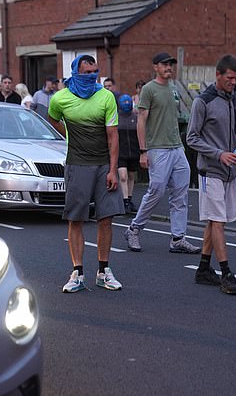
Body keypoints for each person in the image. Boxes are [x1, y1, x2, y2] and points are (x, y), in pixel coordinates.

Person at [48, 55, 124, 293]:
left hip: (103, 165)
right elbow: (53, 119)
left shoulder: (106, 96)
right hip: (77, 164)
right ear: (75, 73)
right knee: (76, 218)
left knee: (106, 218)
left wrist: (113, 170)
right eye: (87, 72)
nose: (92, 76)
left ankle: (103, 271)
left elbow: (113, 135)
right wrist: (71, 135)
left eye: (95, 71)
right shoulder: (60, 98)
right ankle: (77, 273)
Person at [186, 54, 236, 295]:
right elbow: (192, 138)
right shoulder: (203, 102)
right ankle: (227, 273)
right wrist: (219, 154)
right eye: (229, 78)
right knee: (218, 222)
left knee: (216, 220)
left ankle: (203, 269)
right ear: (218, 75)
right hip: (210, 170)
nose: (234, 82)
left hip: (230, 171)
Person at [123, 52, 200, 254]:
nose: (169, 67)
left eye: (170, 64)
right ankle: (134, 229)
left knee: (180, 194)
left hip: (177, 147)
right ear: (155, 66)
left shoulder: (173, 89)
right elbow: (141, 120)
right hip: (157, 148)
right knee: (156, 190)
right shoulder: (149, 89)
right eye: (165, 64)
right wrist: (143, 151)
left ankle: (178, 238)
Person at [117, 93, 139, 214]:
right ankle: (124, 201)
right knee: (123, 176)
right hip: (121, 152)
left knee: (131, 177)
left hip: (134, 151)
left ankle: (129, 199)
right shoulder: (116, 117)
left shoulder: (135, 117)